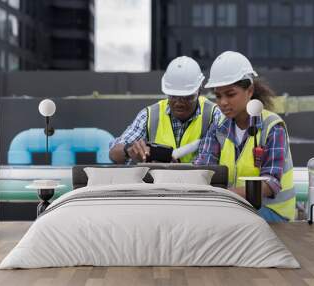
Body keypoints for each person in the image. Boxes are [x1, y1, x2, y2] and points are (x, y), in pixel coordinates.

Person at [195, 51, 295, 222]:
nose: (223, 102)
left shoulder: (272, 126)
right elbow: (203, 168)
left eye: (230, 94)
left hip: (273, 214)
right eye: (218, 96)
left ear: (249, 91)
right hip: (233, 207)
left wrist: (226, 195)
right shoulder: (218, 127)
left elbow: (271, 184)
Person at [109, 56, 216, 164]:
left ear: (199, 89)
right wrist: (129, 150)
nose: (179, 102)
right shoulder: (149, 115)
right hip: (159, 181)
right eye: (173, 96)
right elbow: (114, 153)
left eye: (187, 97)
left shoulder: (214, 115)